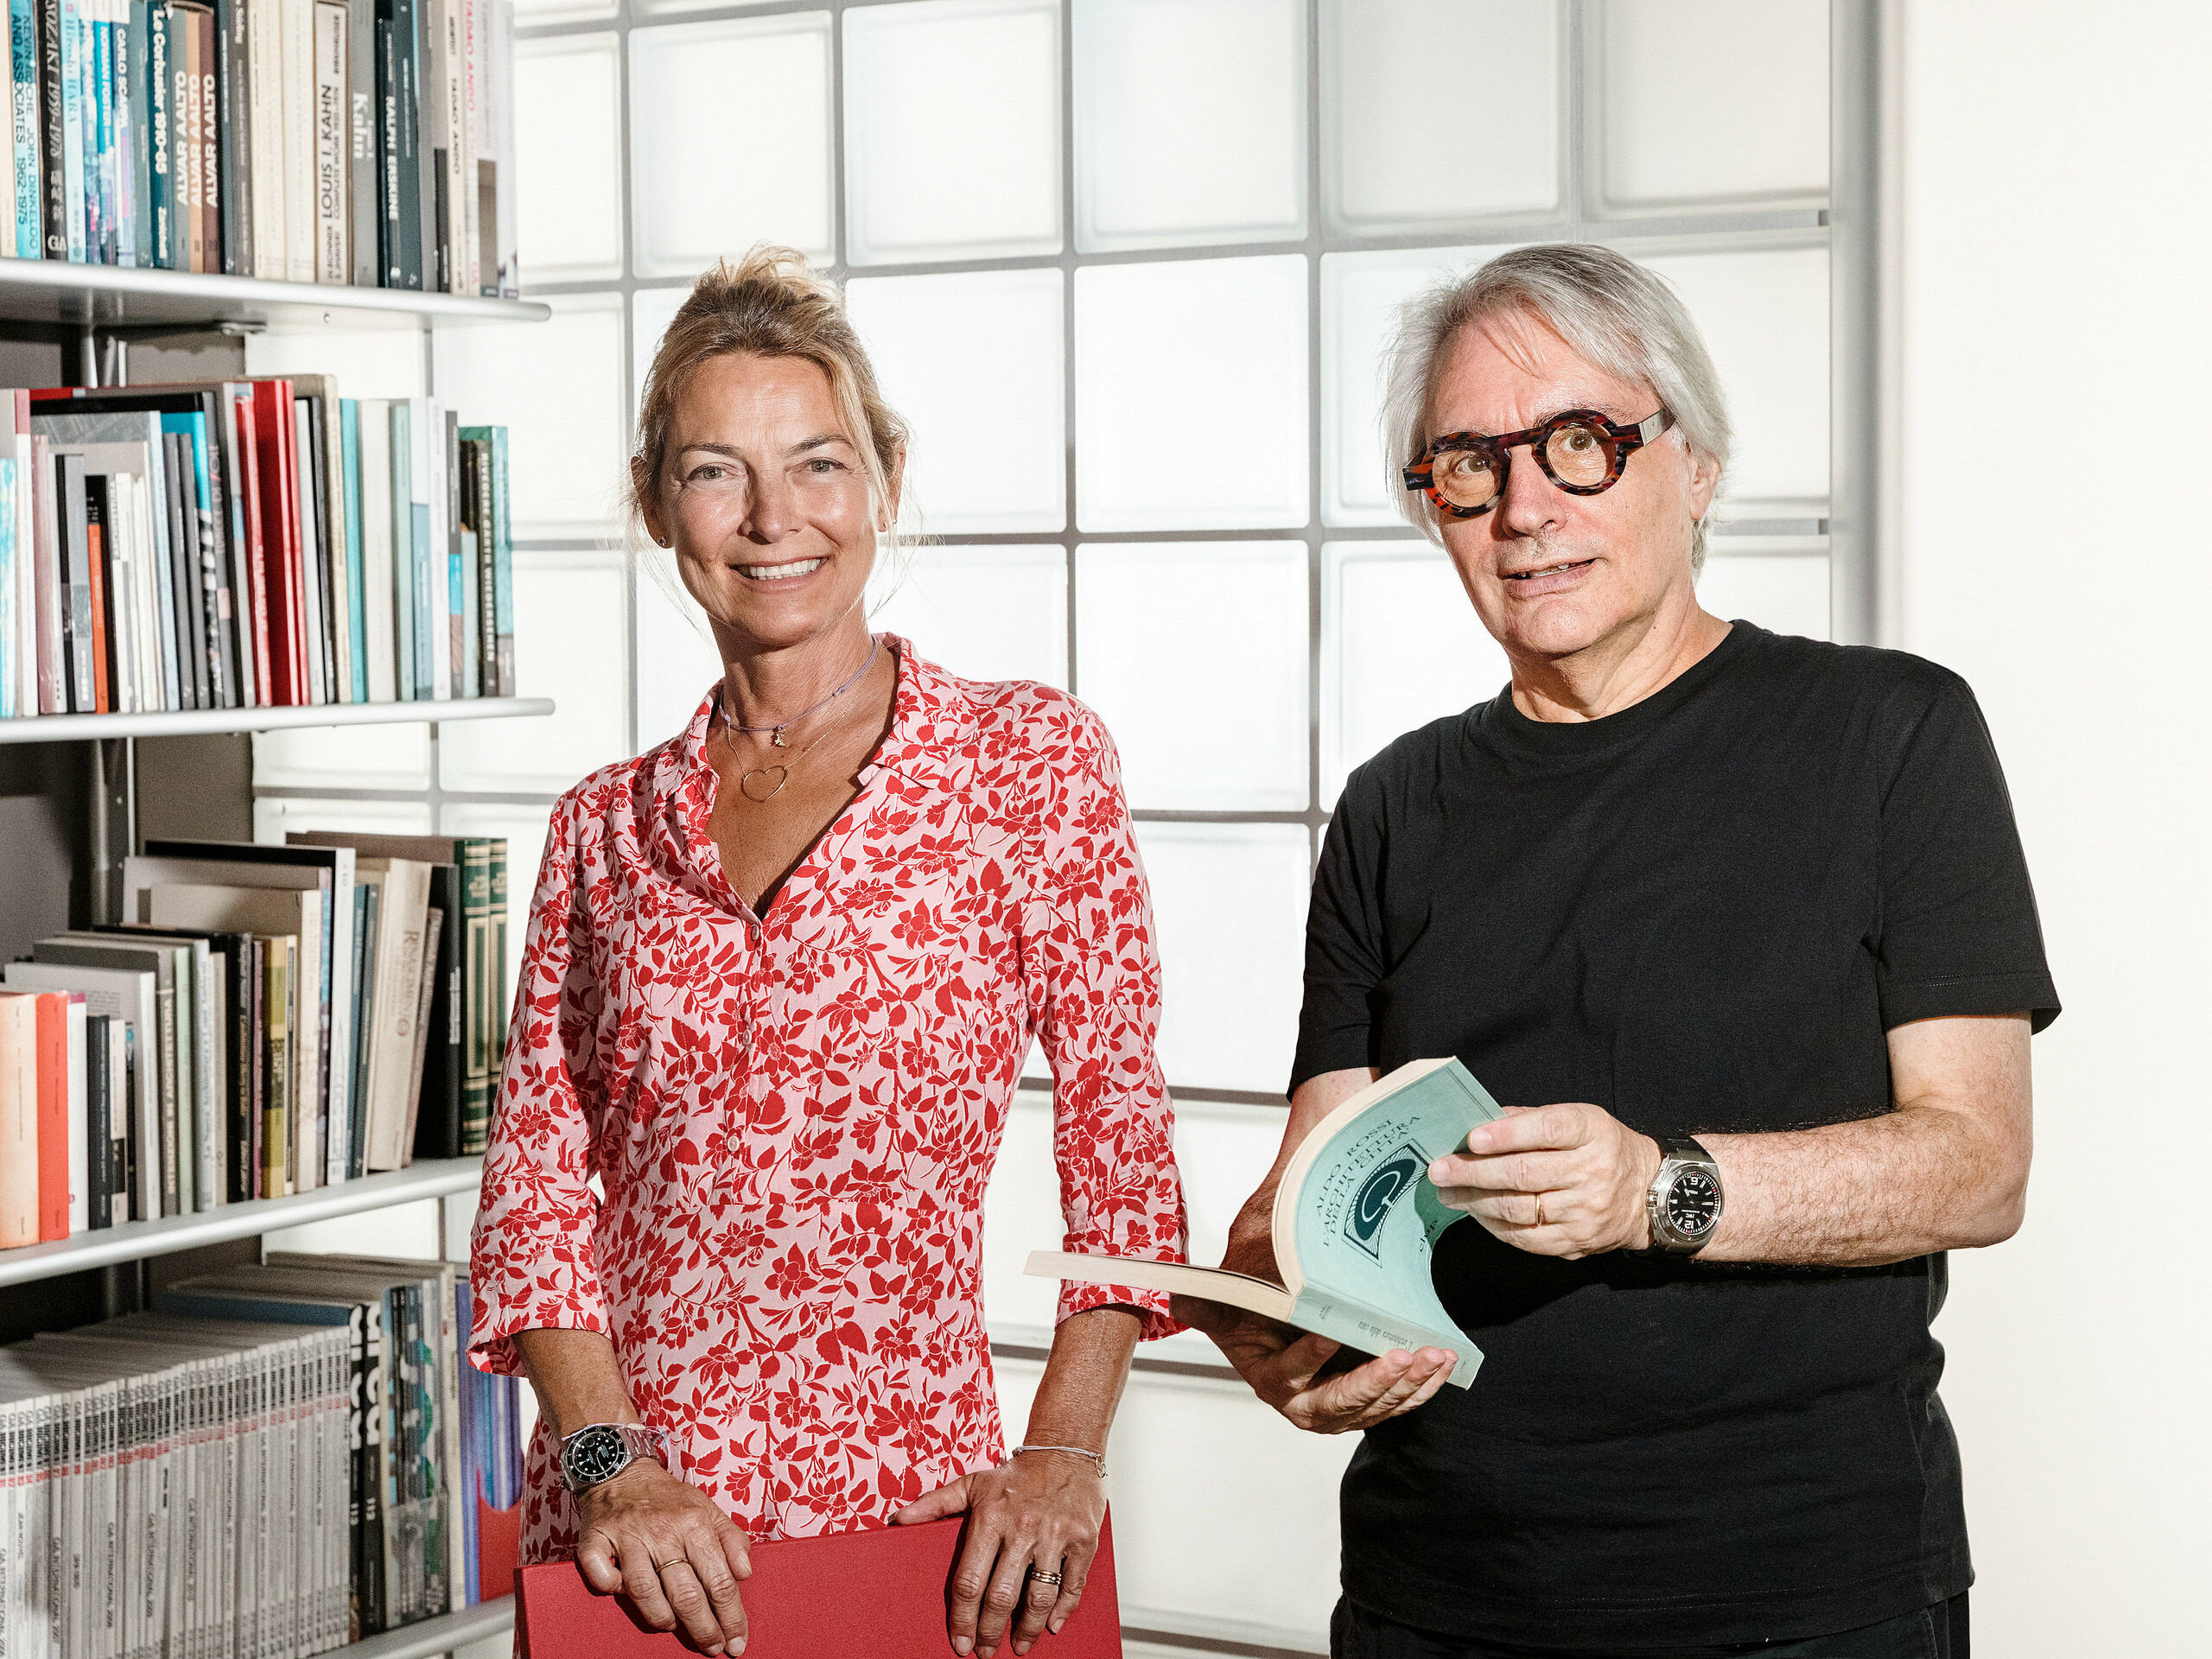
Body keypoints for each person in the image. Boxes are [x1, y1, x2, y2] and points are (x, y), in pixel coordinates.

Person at [1176, 244, 2056, 1659]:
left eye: (1579, 444)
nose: (1525, 508)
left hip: (1800, 1596)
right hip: (1438, 1594)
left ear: (1694, 463)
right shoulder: (1397, 806)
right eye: (1469, 465)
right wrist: (1272, 1326)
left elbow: (1979, 1160)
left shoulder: (1893, 736)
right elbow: (1309, 1186)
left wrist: (1659, 1191)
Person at [470, 246, 1185, 1659]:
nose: (772, 518)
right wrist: (613, 1470)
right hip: (636, 1550)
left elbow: (1122, 1142)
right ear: (655, 505)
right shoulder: (603, 829)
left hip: (923, 1524)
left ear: (884, 480)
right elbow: (534, 1204)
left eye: (816, 464)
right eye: (714, 471)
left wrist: (1068, 1453)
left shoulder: (1025, 765)